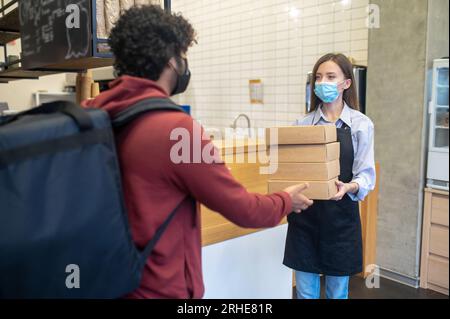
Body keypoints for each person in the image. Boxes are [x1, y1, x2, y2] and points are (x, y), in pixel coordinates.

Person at [82, 5, 313, 299]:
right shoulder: (177, 130)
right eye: (182, 55)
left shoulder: (94, 115)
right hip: (160, 290)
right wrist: (285, 201)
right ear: (171, 61)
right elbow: (242, 209)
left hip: (108, 282)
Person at [284, 53, 376, 299]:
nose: (322, 81)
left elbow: (367, 176)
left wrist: (350, 187)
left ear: (346, 83)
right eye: (318, 77)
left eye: (330, 76)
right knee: (305, 293)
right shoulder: (301, 125)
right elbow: (291, 169)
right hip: (305, 218)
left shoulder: (360, 125)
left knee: (337, 293)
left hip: (341, 221)